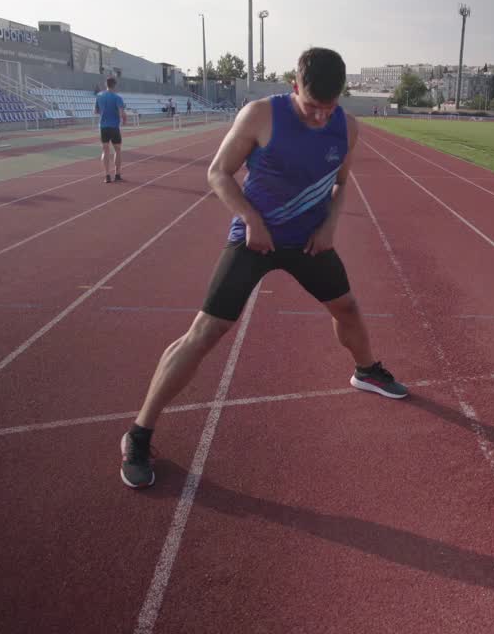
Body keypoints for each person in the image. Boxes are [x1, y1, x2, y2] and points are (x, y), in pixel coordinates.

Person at [120, 47, 409, 489]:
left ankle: (366, 370)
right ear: (295, 87)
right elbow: (218, 173)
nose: (320, 117)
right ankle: (138, 435)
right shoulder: (260, 115)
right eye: (313, 106)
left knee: (347, 308)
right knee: (205, 332)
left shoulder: (347, 127)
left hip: (308, 243)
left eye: (329, 107)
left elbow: (341, 185)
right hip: (255, 241)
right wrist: (251, 220)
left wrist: (331, 225)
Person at [94, 77, 127, 183]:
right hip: (114, 127)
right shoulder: (117, 98)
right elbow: (122, 113)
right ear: (115, 85)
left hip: (103, 127)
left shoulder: (99, 96)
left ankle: (107, 175)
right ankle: (117, 174)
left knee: (105, 150)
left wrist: (104, 113)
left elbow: (95, 111)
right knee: (117, 150)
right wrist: (124, 120)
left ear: (106, 84)